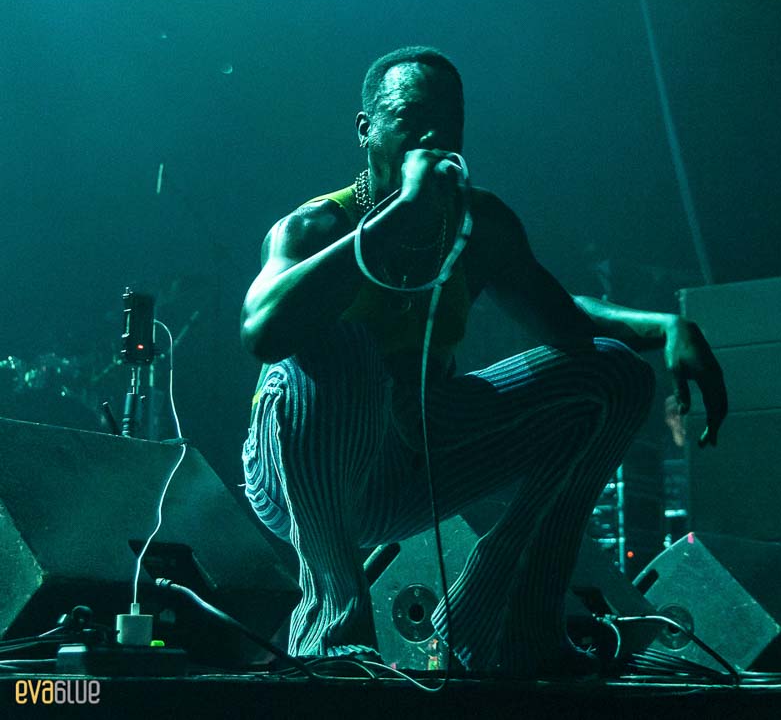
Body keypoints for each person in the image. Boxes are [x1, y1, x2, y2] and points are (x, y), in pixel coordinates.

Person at [239, 46, 727, 677]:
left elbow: (564, 321)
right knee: (343, 347)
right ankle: (332, 632)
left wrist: (666, 326)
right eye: (412, 118)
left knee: (614, 374)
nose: (433, 136)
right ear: (366, 129)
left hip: (413, 457)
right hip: (300, 476)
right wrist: (398, 217)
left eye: (449, 121)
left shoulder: (478, 224)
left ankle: (509, 627)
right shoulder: (313, 228)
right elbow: (263, 333)